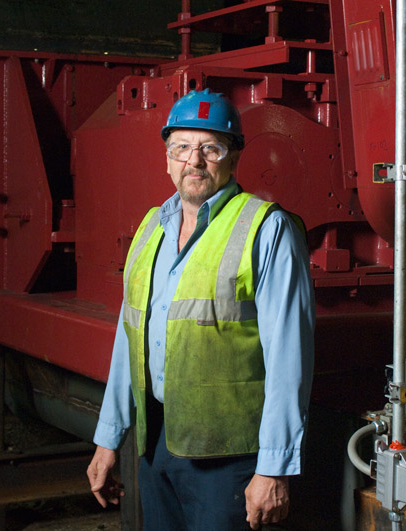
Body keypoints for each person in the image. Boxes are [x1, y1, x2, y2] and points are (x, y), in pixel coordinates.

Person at [86, 88, 315, 531]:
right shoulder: (152, 226)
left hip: (229, 460)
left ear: (233, 157)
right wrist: (108, 439)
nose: (195, 160)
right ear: (167, 157)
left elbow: (291, 360)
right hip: (156, 444)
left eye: (211, 148)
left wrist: (273, 468)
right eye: (182, 147)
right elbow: (127, 339)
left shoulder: (267, 230)